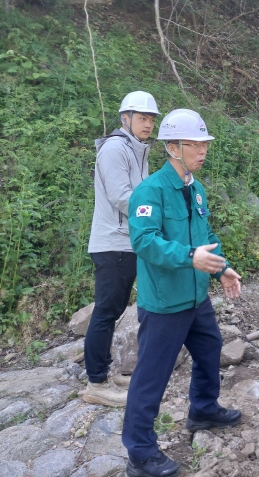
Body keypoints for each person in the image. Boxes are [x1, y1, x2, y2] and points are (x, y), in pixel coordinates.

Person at [123, 108, 243, 477]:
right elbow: (144, 241)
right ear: (172, 147)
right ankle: (140, 453)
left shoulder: (196, 189)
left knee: (210, 349)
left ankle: (202, 410)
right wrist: (190, 257)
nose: (202, 151)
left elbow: (205, 239)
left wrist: (221, 268)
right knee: (151, 375)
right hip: (164, 303)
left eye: (204, 144)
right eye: (194, 144)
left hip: (195, 297)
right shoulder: (150, 191)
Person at [83, 91, 160, 408]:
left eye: (151, 119)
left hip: (127, 242)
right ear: (125, 118)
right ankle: (96, 384)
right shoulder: (116, 149)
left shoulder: (136, 150)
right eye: (142, 118)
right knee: (105, 312)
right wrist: (158, 217)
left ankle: (103, 372)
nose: (148, 125)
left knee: (111, 311)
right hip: (114, 241)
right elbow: (123, 198)